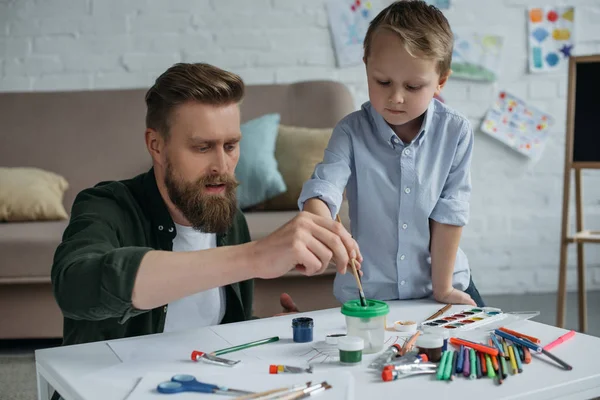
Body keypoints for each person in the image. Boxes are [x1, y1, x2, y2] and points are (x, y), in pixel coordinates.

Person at [51, 62, 362, 347]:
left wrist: (264, 332)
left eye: (231, 146)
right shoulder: (106, 206)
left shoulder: (228, 219)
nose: (222, 165)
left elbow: (208, 328)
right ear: (156, 146)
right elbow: (76, 285)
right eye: (202, 147)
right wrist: (255, 256)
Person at [299, 0, 484, 307]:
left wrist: (443, 288)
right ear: (366, 66)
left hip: (442, 285)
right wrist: (317, 225)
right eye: (382, 82)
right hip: (371, 294)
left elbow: (451, 211)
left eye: (413, 86)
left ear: (440, 82)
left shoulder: (456, 132)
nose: (396, 98)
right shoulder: (350, 131)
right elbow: (325, 187)